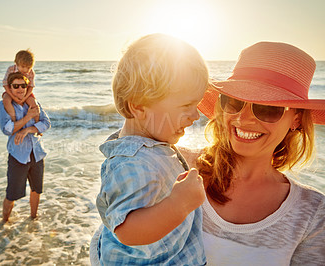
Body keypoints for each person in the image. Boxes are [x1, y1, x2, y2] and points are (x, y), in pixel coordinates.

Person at [191, 41, 325, 265]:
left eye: (267, 108)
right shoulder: (174, 164)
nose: (243, 119)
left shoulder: (312, 213)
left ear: (297, 119)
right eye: (233, 101)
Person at [92, 33, 211, 265]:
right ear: (139, 106)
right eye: (187, 105)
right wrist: (180, 203)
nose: (196, 115)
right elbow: (128, 231)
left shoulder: (152, 144)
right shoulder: (132, 162)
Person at [0, 72, 51, 222]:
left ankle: (33, 218)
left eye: (23, 86)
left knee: (36, 190)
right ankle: (4, 223)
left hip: (37, 153)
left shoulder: (34, 103)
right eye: (16, 86)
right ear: (11, 88)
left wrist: (27, 129)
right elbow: (7, 129)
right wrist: (28, 118)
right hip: (18, 156)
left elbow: (46, 123)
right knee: (12, 194)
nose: (20, 89)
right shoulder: (4, 106)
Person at [2, 49, 40, 122]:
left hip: (25, 92)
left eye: (28, 67)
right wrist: (14, 97)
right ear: (16, 63)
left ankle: (37, 123)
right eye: (23, 66)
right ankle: (14, 120)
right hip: (11, 91)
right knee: (6, 101)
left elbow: (31, 86)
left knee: (34, 104)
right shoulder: (11, 69)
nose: (25, 70)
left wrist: (24, 98)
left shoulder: (31, 72)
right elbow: (5, 84)